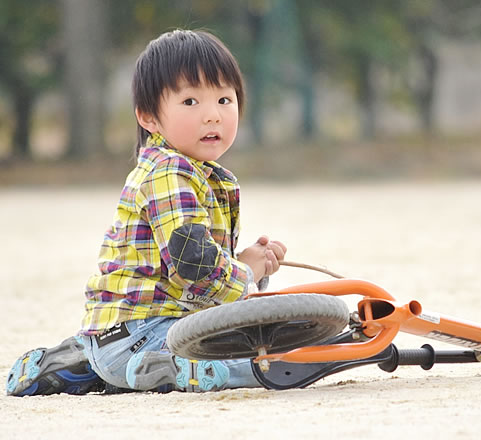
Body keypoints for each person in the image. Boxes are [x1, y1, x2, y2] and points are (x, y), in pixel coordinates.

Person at [7, 29, 286, 396]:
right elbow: (194, 266)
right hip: (142, 336)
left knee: (234, 329)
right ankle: (172, 367)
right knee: (268, 357)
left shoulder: (197, 173)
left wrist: (248, 265)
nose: (212, 116)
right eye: (190, 102)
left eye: (223, 99)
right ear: (149, 118)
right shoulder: (171, 172)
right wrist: (246, 273)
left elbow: (190, 272)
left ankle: (78, 363)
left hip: (119, 335)